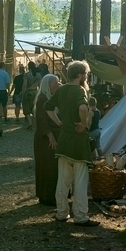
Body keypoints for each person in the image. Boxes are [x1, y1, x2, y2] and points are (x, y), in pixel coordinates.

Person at [44, 61, 96, 225]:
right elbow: (82, 108)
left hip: (64, 140)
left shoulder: (61, 89)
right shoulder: (79, 90)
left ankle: (61, 213)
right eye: (85, 74)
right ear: (80, 75)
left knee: (63, 180)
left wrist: (59, 122)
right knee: (80, 181)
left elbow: (48, 107)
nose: (85, 77)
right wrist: (83, 123)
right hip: (78, 141)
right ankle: (80, 216)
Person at [32, 73, 61, 206]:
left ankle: (50, 195)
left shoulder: (52, 98)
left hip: (52, 136)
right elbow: (41, 120)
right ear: (48, 85)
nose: (57, 84)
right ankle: (47, 196)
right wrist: (50, 135)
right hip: (46, 139)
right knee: (48, 167)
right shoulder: (42, 99)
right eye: (55, 82)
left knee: (53, 167)